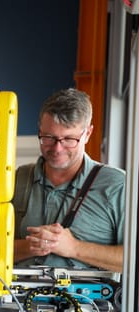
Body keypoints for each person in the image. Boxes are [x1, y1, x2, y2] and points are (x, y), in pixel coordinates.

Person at [12, 88, 125, 273]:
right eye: (49, 137)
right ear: (39, 129)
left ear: (87, 134)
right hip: (14, 300)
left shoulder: (117, 185)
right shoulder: (17, 179)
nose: (57, 148)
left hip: (91, 301)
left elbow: (132, 259)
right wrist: (31, 246)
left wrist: (74, 248)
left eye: (69, 139)